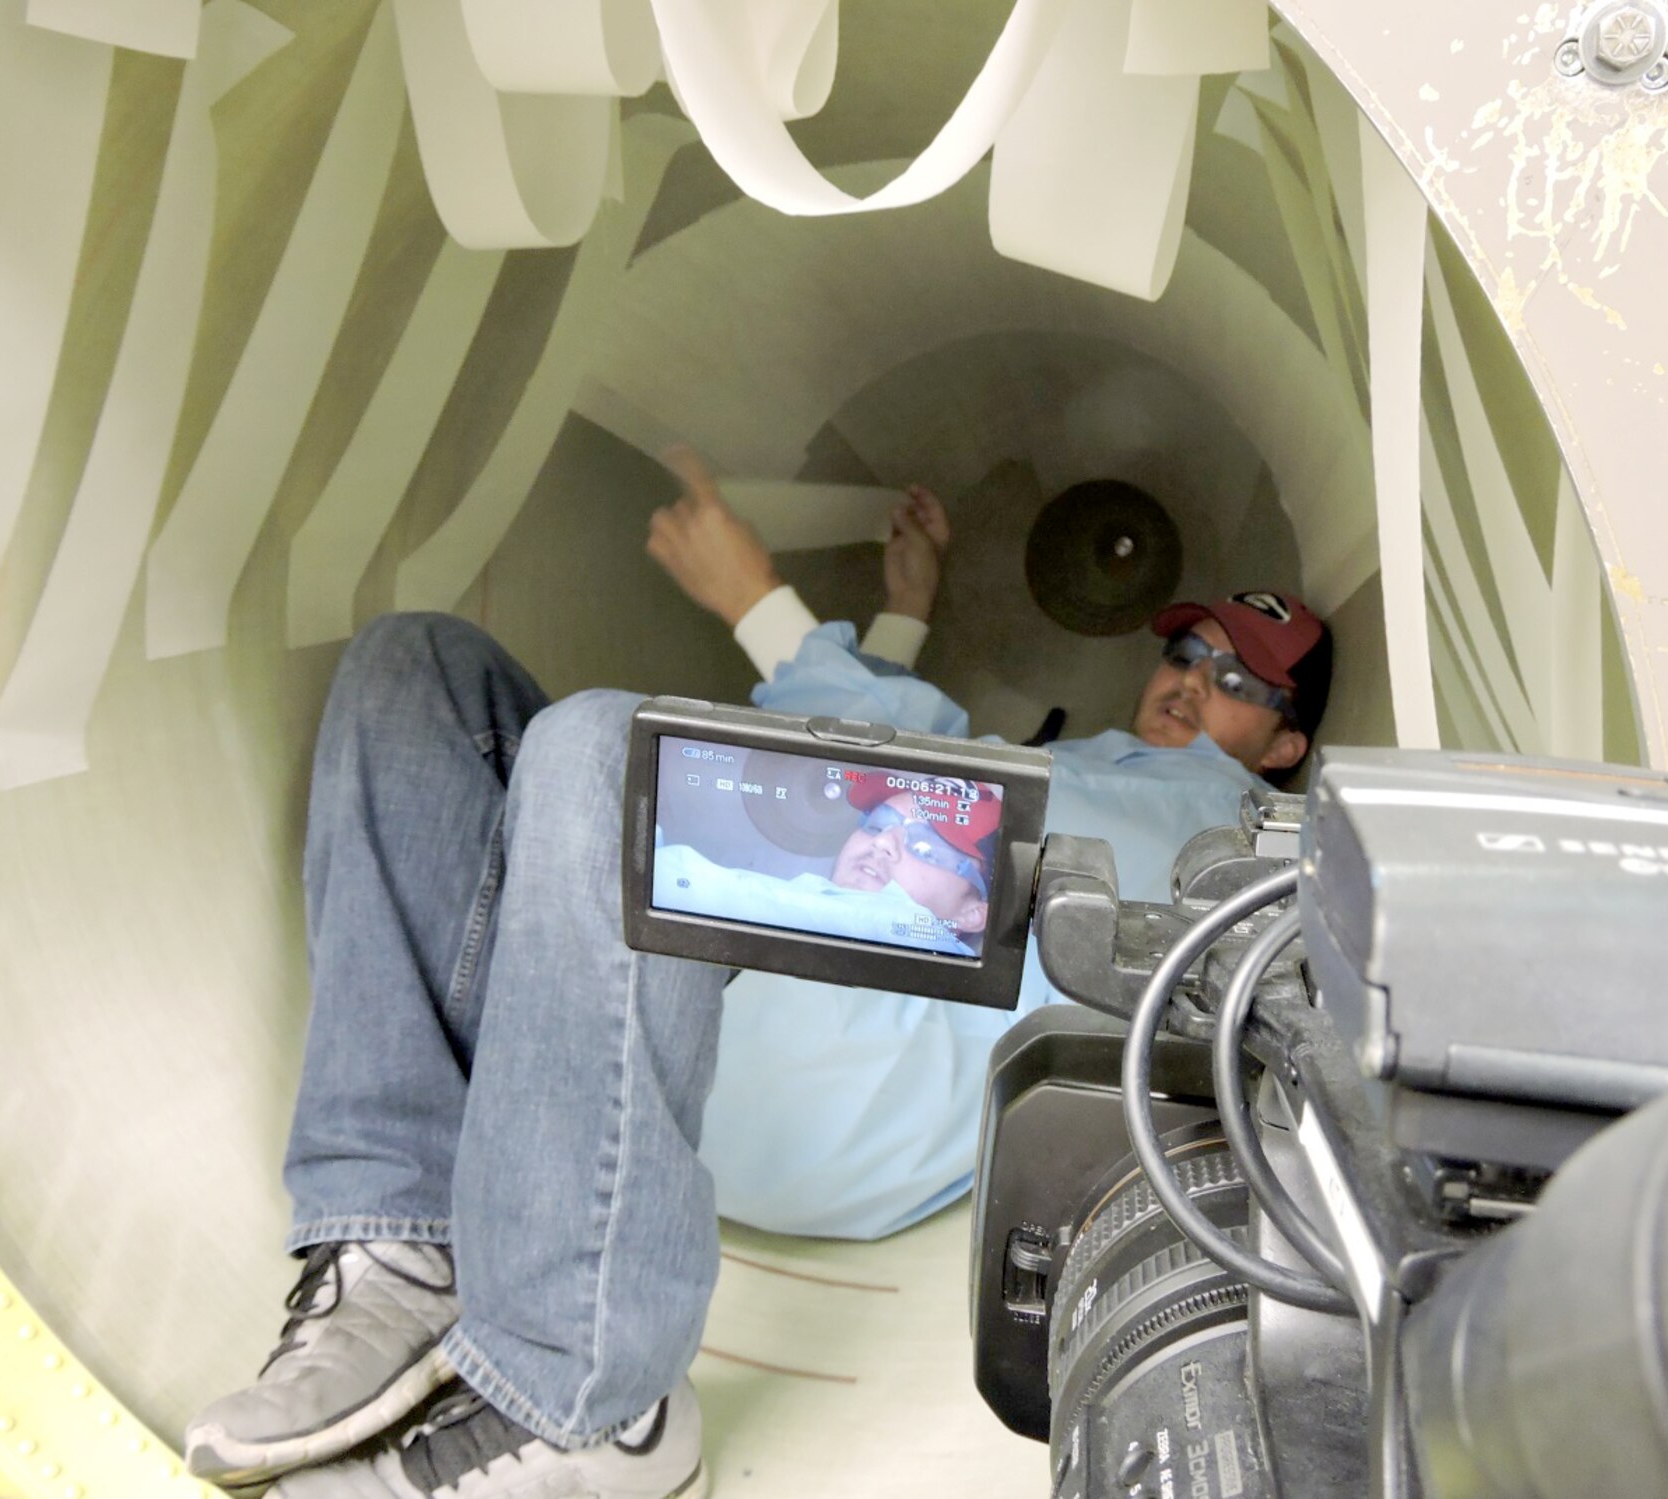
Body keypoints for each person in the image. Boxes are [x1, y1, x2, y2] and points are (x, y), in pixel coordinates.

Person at [182, 451, 1332, 1498]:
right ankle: (399, 1238)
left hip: (807, 1071)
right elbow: (904, 796)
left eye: (1242, 680)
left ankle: (590, 1393)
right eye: (1184, 652)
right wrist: (901, 617)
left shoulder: (1222, 811)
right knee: (415, 664)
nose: (1192, 679)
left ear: (1284, 745)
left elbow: (913, 788)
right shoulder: (1075, 767)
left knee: (605, 749)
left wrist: (755, 599)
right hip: (609, 1027)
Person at [652, 779, 999, 957]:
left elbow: (670, 884)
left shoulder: (910, 929)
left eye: (925, 846)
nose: (881, 843)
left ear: (972, 914)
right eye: (877, 825)